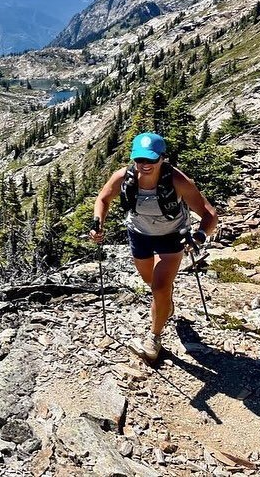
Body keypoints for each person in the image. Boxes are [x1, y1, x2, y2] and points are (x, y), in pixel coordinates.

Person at [89, 132, 218, 360]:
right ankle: (166, 304)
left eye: (151, 160)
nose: (144, 165)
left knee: (159, 287)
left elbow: (209, 214)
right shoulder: (123, 177)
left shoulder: (178, 181)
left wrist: (198, 236)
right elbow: (103, 199)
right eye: (140, 160)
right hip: (139, 236)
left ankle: (154, 339)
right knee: (152, 284)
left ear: (162, 158)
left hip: (172, 238)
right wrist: (97, 222)